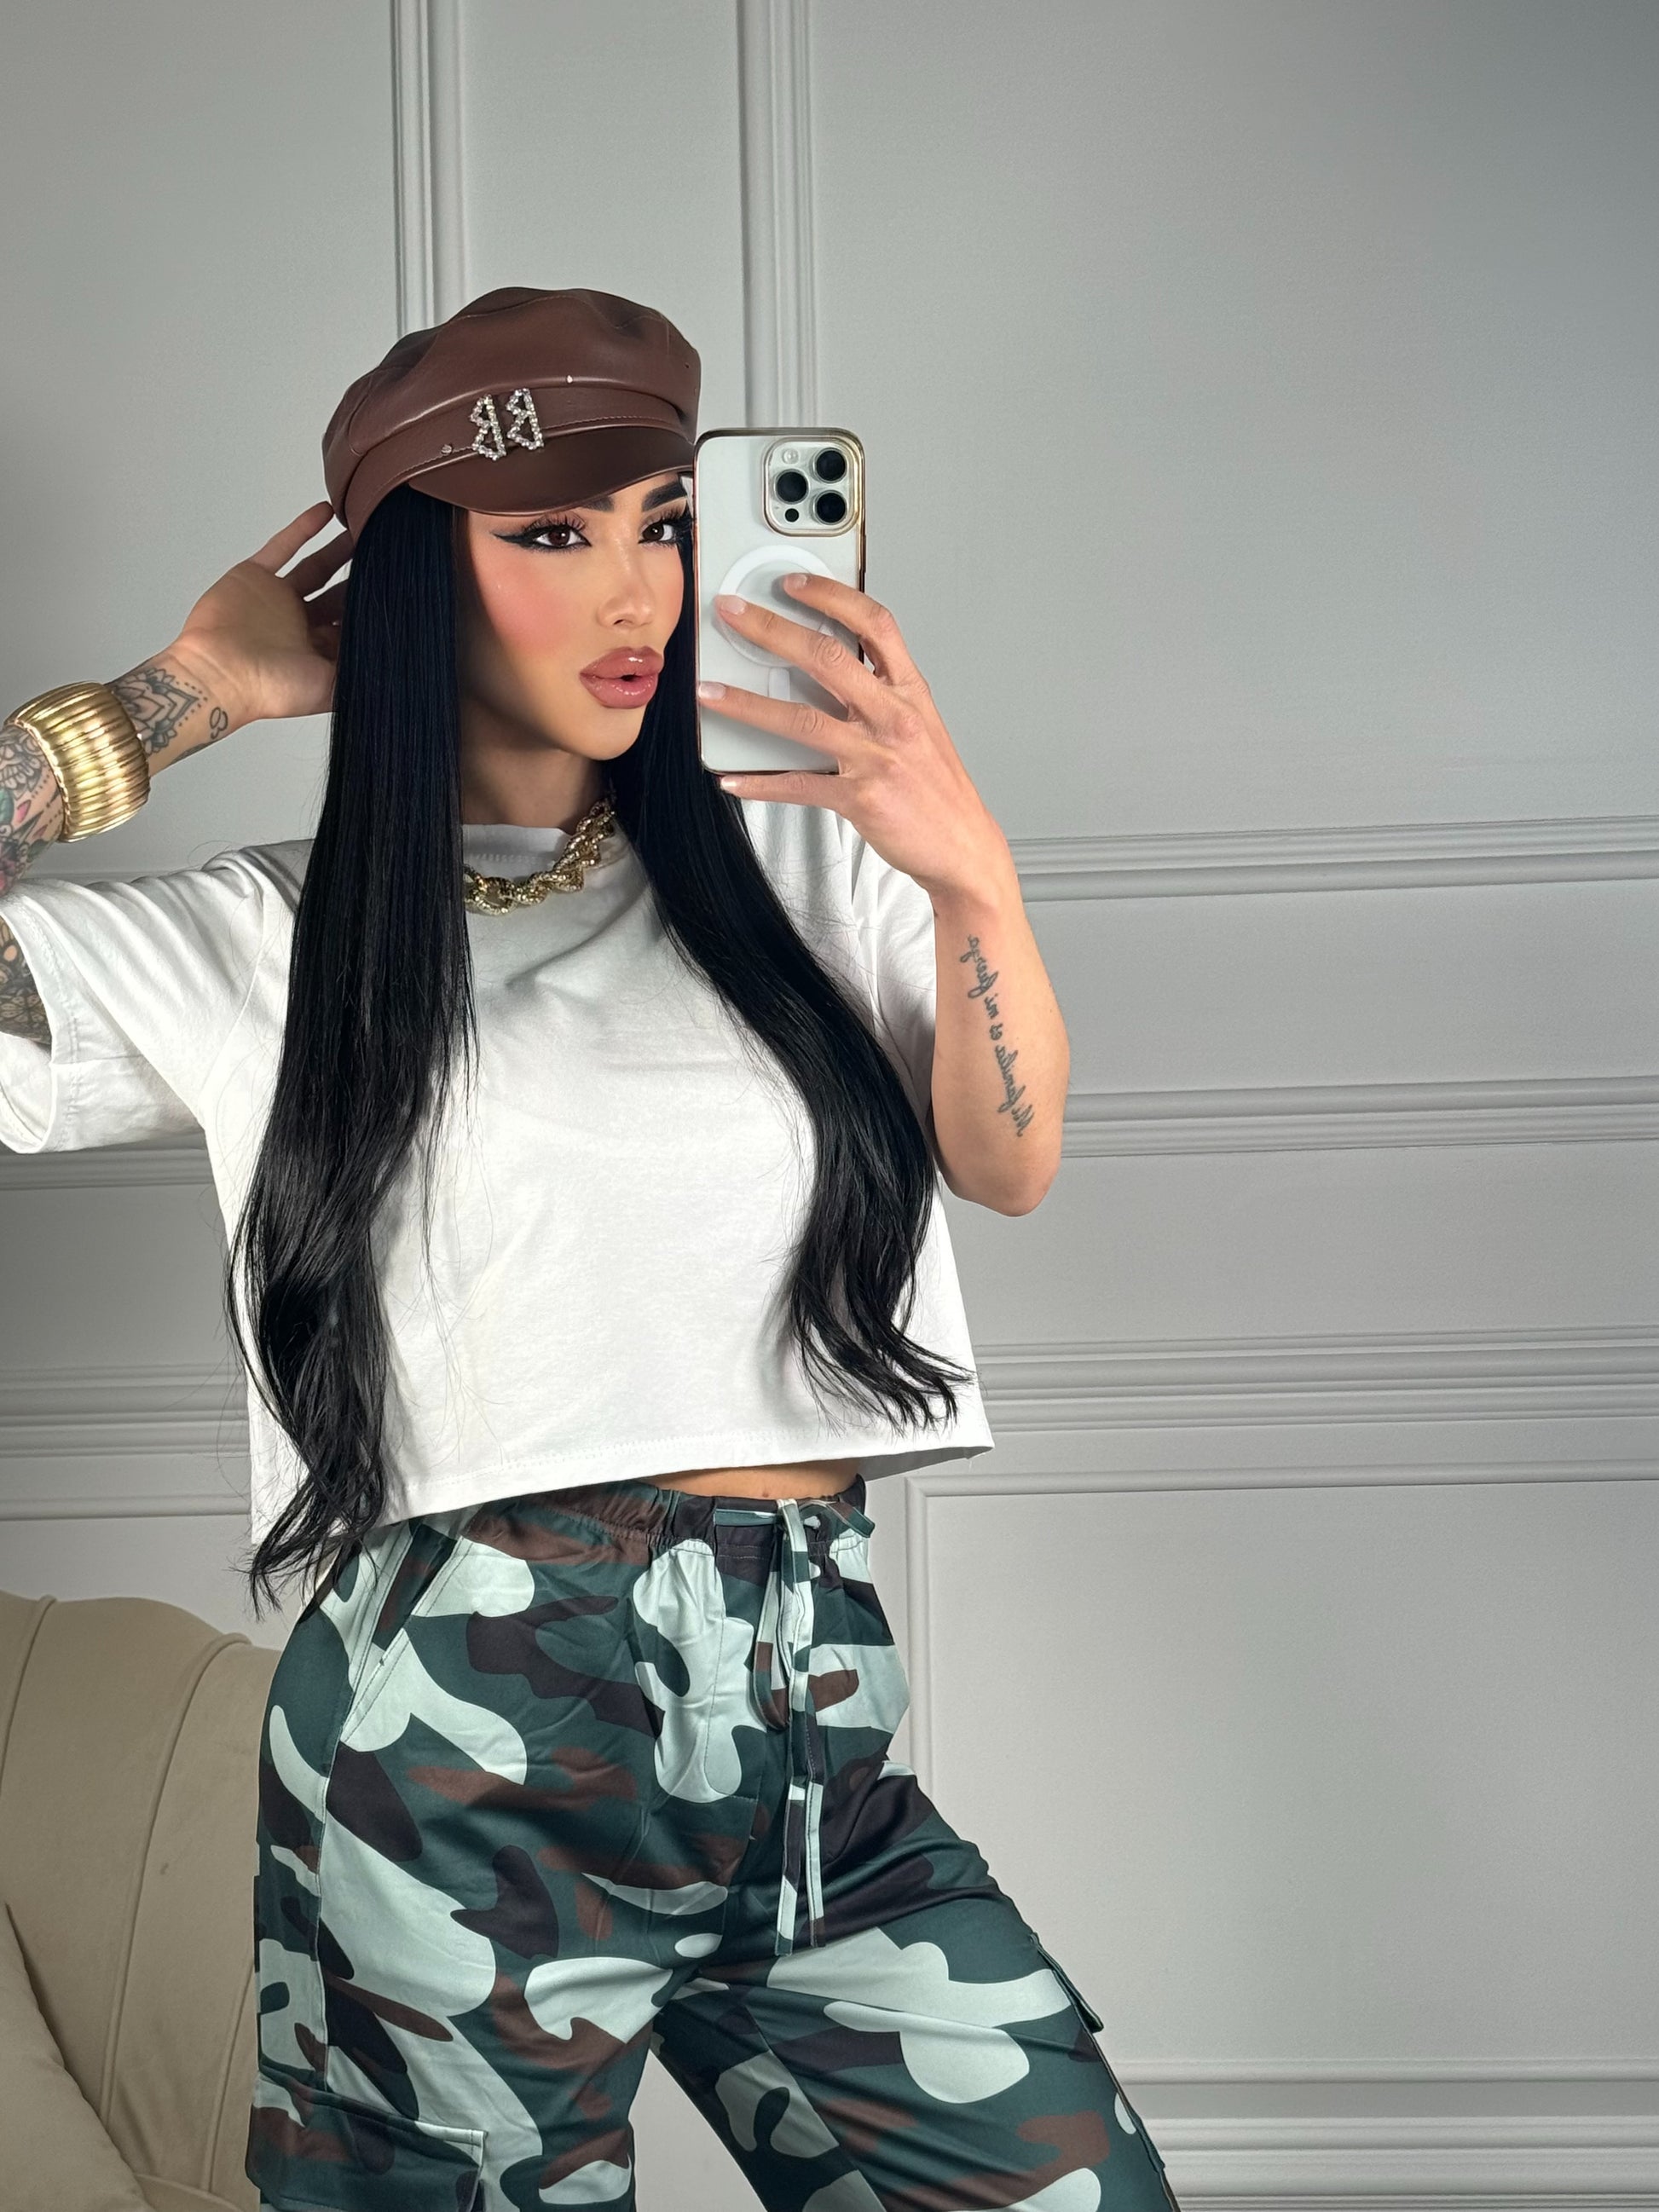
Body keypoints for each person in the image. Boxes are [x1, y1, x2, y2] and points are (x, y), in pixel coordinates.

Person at [0, 288, 1178, 2212]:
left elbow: (1011, 1156)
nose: (635, 591)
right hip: (459, 1762)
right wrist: (181, 696)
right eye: (553, 533)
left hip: (810, 1746)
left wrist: (968, 867)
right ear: (412, 582)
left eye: (662, 523)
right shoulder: (263, 942)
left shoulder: (802, 859)